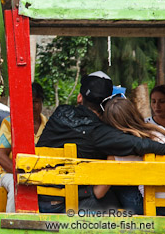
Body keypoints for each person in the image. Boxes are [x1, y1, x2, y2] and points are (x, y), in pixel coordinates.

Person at [36, 71, 165, 213]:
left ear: (80, 97)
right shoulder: (101, 133)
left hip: (38, 196)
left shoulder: (60, 112)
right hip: (66, 204)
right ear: (106, 103)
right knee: (120, 196)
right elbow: (140, 144)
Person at [94, 96, 165, 215]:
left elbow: (99, 193)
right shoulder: (160, 131)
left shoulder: (119, 152)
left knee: (117, 185)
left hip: (152, 207)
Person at [0, 82, 48, 213]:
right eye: (29, 101)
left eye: (36, 101)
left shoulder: (49, 125)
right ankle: (12, 225)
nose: (33, 105)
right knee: (17, 186)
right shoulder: (10, 123)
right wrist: (20, 174)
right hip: (9, 174)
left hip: (40, 174)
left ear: (41, 103)